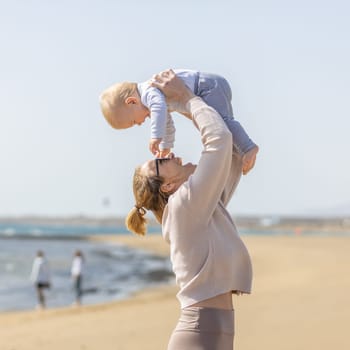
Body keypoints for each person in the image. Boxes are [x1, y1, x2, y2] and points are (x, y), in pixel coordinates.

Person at [125, 70, 253, 349]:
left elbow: (227, 152)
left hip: (214, 330)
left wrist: (194, 102)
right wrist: (186, 98)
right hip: (199, 332)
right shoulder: (184, 207)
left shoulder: (200, 208)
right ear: (168, 186)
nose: (166, 154)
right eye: (159, 163)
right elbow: (217, 140)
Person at [99, 68, 259, 175]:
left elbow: (159, 110)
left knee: (223, 122)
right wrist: (166, 147)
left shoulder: (149, 91)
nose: (140, 123)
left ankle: (249, 148)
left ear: (132, 102)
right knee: (223, 127)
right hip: (209, 89)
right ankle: (240, 152)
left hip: (208, 87)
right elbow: (167, 124)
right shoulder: (155, 99)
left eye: (134, 121)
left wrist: (155, 136)